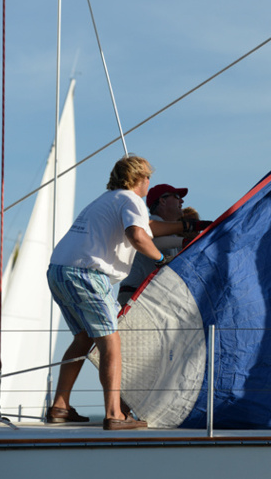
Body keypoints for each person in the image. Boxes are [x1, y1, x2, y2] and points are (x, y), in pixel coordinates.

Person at [45, 155, 185, 430]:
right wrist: (161, 260)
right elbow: (138, 235)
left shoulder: (108, 199)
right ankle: (114, 414)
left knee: (84, 338)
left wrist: (186, 227)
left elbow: (147, 228)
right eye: (148, 177)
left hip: (59, 271)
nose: (149, 182)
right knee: (111, 342)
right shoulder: (131, 199)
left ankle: (60, 406)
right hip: (87, 273)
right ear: (139, 178)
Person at [116, 184, 188, 306]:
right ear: (162, 201)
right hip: (136, 297)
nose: (181, 201)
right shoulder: (148, 224)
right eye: (176, 196)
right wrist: (185, 240)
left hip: (146, 297)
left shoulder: (171, 235)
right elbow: (152, 242)